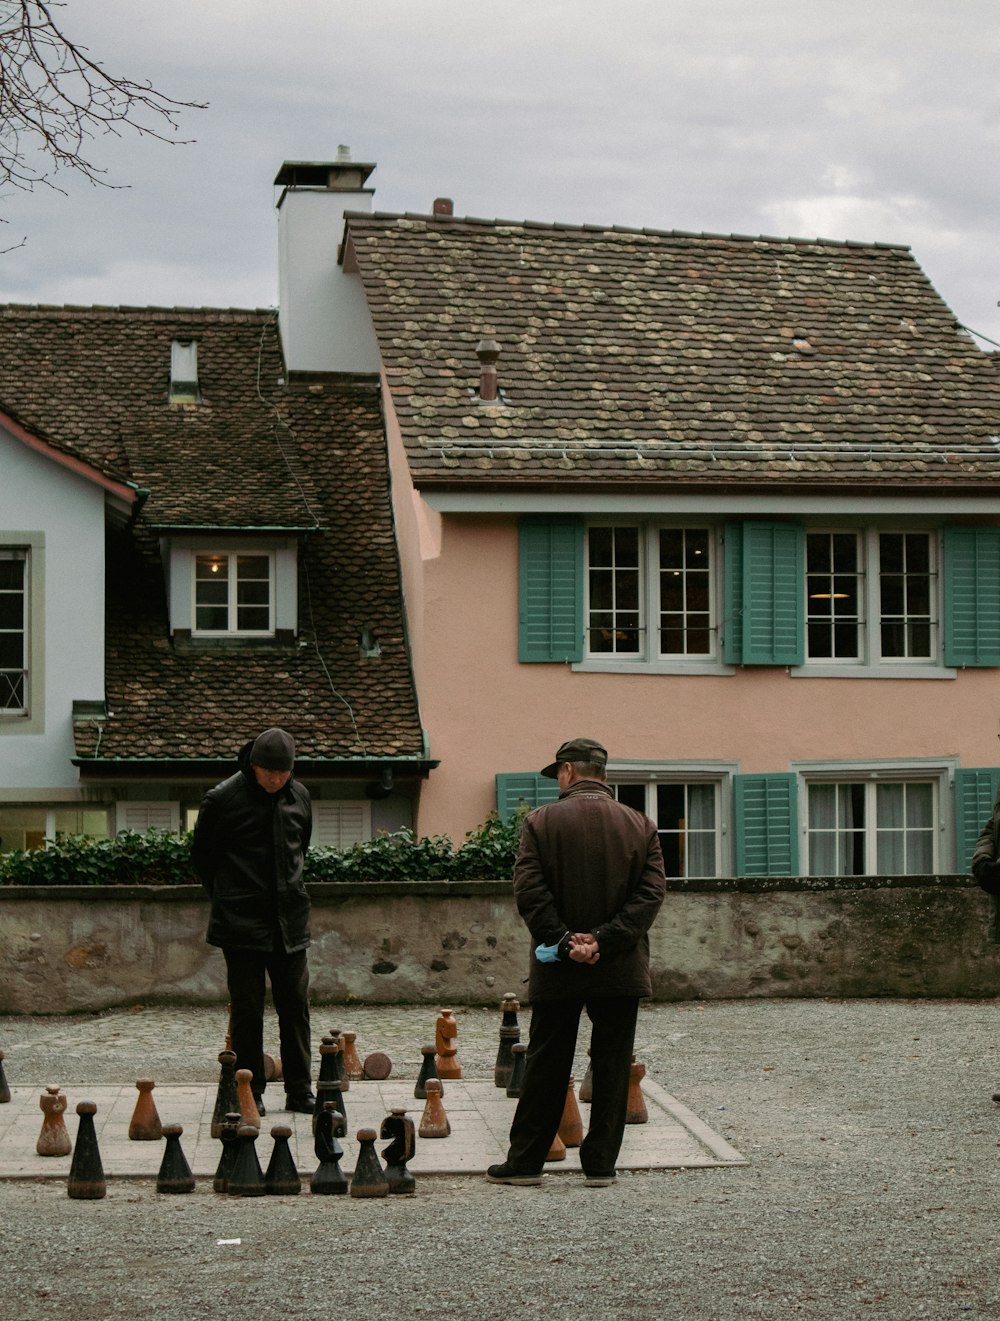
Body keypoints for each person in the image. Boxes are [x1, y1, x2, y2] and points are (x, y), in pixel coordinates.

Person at [487, 737, 666, 1188]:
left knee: (547, 1061)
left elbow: (529, 891)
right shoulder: (641, 825)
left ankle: (526, 1162)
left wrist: (565, 942)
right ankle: (601, 1165)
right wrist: (604, 941)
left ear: (567, 772)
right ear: (603, 775)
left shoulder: (541, 822)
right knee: (611, 1063)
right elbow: (650, 897)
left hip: (557, 965)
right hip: (619, 964)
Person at [192, 727, 316, 1115]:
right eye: (269, 773)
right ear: (253, 765)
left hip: (289, 921)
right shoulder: (223, 798)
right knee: (247, 1009)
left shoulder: (300, 797)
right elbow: (203, 859)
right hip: (240, 923)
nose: (276, 780)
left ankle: (300, 1090)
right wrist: (230, 900)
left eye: (283, 774)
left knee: (295, 1005)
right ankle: (250, 1090)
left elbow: (301, 850)